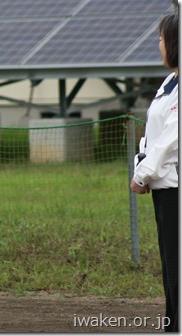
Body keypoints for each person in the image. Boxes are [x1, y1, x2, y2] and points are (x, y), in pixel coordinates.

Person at [130, 12, 178, 333]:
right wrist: (142, 166)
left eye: (161, 38)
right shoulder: (170, 82)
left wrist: (142, 174)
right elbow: (151, 136)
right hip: (163, 189)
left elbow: (171, 139)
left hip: (175, 190)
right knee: (169, 266)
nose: (158, 44)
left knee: (177, 267)